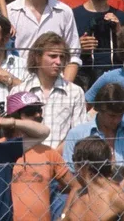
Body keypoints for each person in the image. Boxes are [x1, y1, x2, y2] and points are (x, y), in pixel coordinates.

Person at [8, 0, 81, 81]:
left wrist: (66, 88)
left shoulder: (64, 12)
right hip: (19, 82)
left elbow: (73, 55)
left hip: (56, 83)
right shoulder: (10, 12)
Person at [10, 91, 75, 221]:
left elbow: (75, 186)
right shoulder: (0, 149)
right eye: (30, 111)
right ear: (15, 117)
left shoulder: (48, 153)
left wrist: (64, 216)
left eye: (39, 110)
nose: (38, 115)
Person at [17, 32, 87, 149]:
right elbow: (14, 135)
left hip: (62, 162)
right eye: (53, 56)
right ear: (37, 57)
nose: (58, 62)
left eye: (62, 57)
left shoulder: (75, 92)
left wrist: (53, 157)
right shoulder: (20, 90)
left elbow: (78, 134)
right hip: (26, 161)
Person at [72, 0, 124, 88]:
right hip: (83, 80)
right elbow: (61, 51)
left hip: (117, 81)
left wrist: (120, 32)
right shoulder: (72, 15)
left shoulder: (121, 16)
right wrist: (78, 46)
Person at [63, 137, 124, 221]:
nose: (74, 167)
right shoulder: (77, 194)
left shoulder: (117, 198)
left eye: (74, 159)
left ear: (85, 166)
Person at [63, 82, 124, 170]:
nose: (117, 120)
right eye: (112, 116)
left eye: (121, 115)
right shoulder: (77, 135)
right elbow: (70, 173)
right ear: (99, 110)